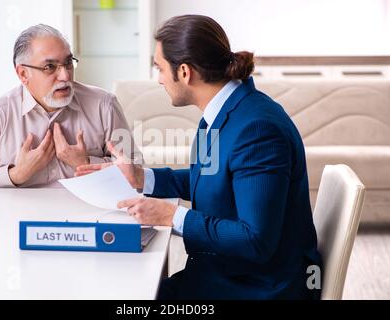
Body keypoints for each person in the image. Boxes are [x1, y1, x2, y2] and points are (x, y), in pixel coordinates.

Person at [76, 15, 322, 299]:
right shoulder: (226, 110)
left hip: (258, 288)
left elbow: (256, 240)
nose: (159, 80)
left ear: (184, 72)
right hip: (226, 273)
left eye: (159, 68)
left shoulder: (257, 130)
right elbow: (212, 177)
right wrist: (142, 177)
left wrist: (173, 216)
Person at [0, 24, 138, 188]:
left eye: (68, 63)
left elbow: (138, 170)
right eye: (50, 67)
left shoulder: (104, 105)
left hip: (91, 216)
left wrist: (87, 162)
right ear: (23, 73)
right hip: (14, 219)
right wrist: (15, 175)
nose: (65, 76)